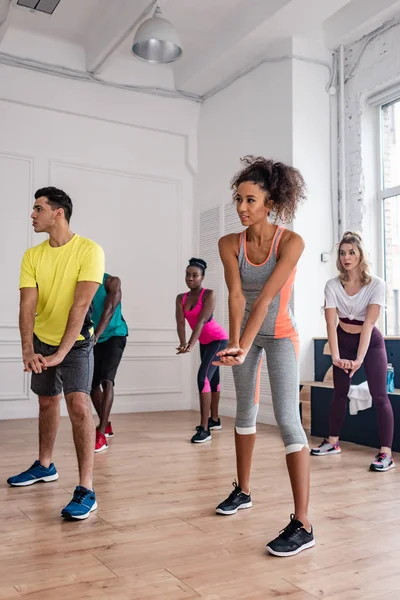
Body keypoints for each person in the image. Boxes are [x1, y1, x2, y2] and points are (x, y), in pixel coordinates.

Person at [214, 156, 314, 557]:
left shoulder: (290, 243)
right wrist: (238, 343)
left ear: (270, 202)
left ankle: (303, 522)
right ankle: (243, 491)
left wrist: (242, 343)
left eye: (250, 200)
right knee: (244, 412)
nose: (241, 207)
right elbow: (237, 296)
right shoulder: (228, 244)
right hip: (247, 336)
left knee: (289, 419)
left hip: (280, 336)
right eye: (238, 199)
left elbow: (267, 298)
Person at [7, 187, 104, 521]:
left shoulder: (90, 251)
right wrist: (27, 350)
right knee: (47, 401)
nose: (32, 215)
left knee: (78, 404)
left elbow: (80, 305)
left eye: (38, 208)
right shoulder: (32, 256)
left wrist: (62, 352)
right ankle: (44, 466)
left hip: (76, 343)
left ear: (58, 212)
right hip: (42, 340)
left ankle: (86, 489)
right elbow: (27, 305)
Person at [311, 231, 395, 472]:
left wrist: (359, 359)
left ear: (360, 255)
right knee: (339, 393)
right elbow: (330, 324)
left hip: (370, 343)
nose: (346, 257)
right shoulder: (332, 285)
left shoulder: (376, 284)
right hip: (342, 339)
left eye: (351, 252)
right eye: (342, 253)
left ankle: (386, 454)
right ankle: (333, 443)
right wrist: (336, 357)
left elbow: (369, 324)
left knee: (380, 397)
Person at [175, 258, 228, 443]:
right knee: (212, 379)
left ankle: (205, 429)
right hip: (204, 341)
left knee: (203, 377)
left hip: (218, 340)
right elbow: (181, 322)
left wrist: (190, 343)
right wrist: (183, 343)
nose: (190, 278)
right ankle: (214, 420)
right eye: (188, 275)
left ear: (202, 277)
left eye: (195, 275)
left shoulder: (209, 294)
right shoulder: (181, 298)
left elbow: (201, 321)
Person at [90, 273, 128, 453]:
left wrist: (96, 335)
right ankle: (107, 423)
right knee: (91, 385)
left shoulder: (111, 281)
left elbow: (110, 307)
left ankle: (101, 433)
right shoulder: (79, 283)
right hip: (93, 338)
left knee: (107, 380)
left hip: (115, 335)